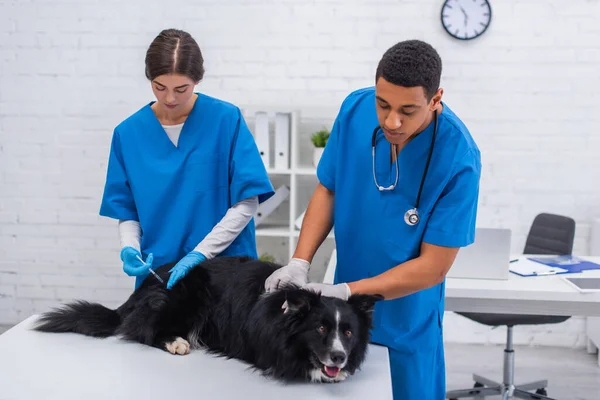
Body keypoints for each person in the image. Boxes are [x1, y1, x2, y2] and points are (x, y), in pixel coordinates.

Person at [264, 39, 481, 399]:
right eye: (383, 105)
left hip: (406, 319)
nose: (391, 121)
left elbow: (433, 267)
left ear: (435, 99)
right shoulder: (355, 110)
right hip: (342, 319)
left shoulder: (459, 158)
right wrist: (300, 261)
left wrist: (349, 290)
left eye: (408, 111)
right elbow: (328, 189)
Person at [99, 29, 274, 290]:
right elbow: (127, 210)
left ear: (197, 80)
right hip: (161, 273)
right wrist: (130, 248)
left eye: (181, 89)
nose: (170, 98)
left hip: (227, 270)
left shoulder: (226, 120)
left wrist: (200, 253)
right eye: (160, 87)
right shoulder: (128, 134)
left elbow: (247, 201)